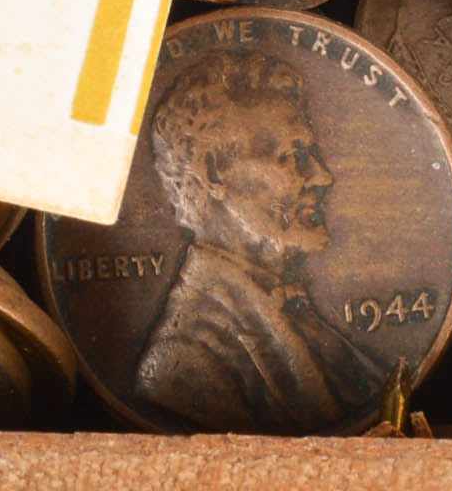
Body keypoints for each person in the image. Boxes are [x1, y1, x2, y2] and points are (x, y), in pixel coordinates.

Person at [134, 51, 382, 431]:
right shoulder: (182, 364)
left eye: (310, 152)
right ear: (213, 172)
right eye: (291, 156)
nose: (322, 176)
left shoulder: (294, 310)